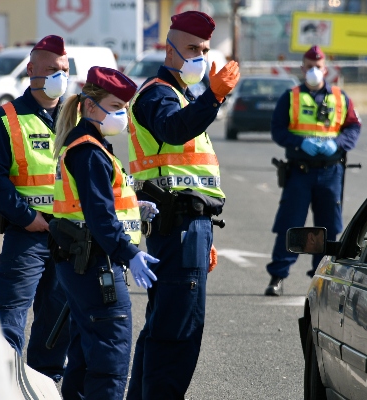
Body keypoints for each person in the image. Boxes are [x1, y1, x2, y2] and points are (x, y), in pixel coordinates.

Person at [126, 10, 240, 399]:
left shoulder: (181, 96)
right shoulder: (158, 93)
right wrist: (215, 96)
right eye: (192, 48)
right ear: (169, 48)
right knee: (178, 333)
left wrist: (203, 233)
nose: (201, 57)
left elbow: (191, 178)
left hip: (187, 226)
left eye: (206, 50)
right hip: (176, 226)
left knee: (163, 327)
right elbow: (175, 131)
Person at [51, 66, 159, 400]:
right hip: (97, 265)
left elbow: (96, 203)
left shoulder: (91, 145)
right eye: (116, 106)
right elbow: (99, 217)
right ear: (90, 105)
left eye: (124, 107)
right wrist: (131, 254)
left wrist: (132, 206)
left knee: (86, 356)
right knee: (109, 358)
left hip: (85, 262)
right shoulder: (89, 151)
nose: (122, 114)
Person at [0, 35, 71, 381]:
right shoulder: (5, 119)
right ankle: (4, 382)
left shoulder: (76, 120)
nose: (59, 77)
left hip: (68, 235)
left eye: (63, 70)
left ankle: (46, 383)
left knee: (57, 319)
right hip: (28, 233)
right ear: (31, 70)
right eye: (50, 70)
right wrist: (27, 217)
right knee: (8, 313)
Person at [264, 45, 361, 296]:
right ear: (302, 68)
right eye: (309, 66)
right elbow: (277, 129)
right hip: (299, 171)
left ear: (325, 69)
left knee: (328, 227)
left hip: (330, 171)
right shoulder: (291, 97)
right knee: (290, 223)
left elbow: (353, 128)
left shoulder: (341, 97)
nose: (314, 71)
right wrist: (298, 142)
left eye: (318, 67)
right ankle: (277, 277)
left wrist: (336, 144)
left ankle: (322, 279)